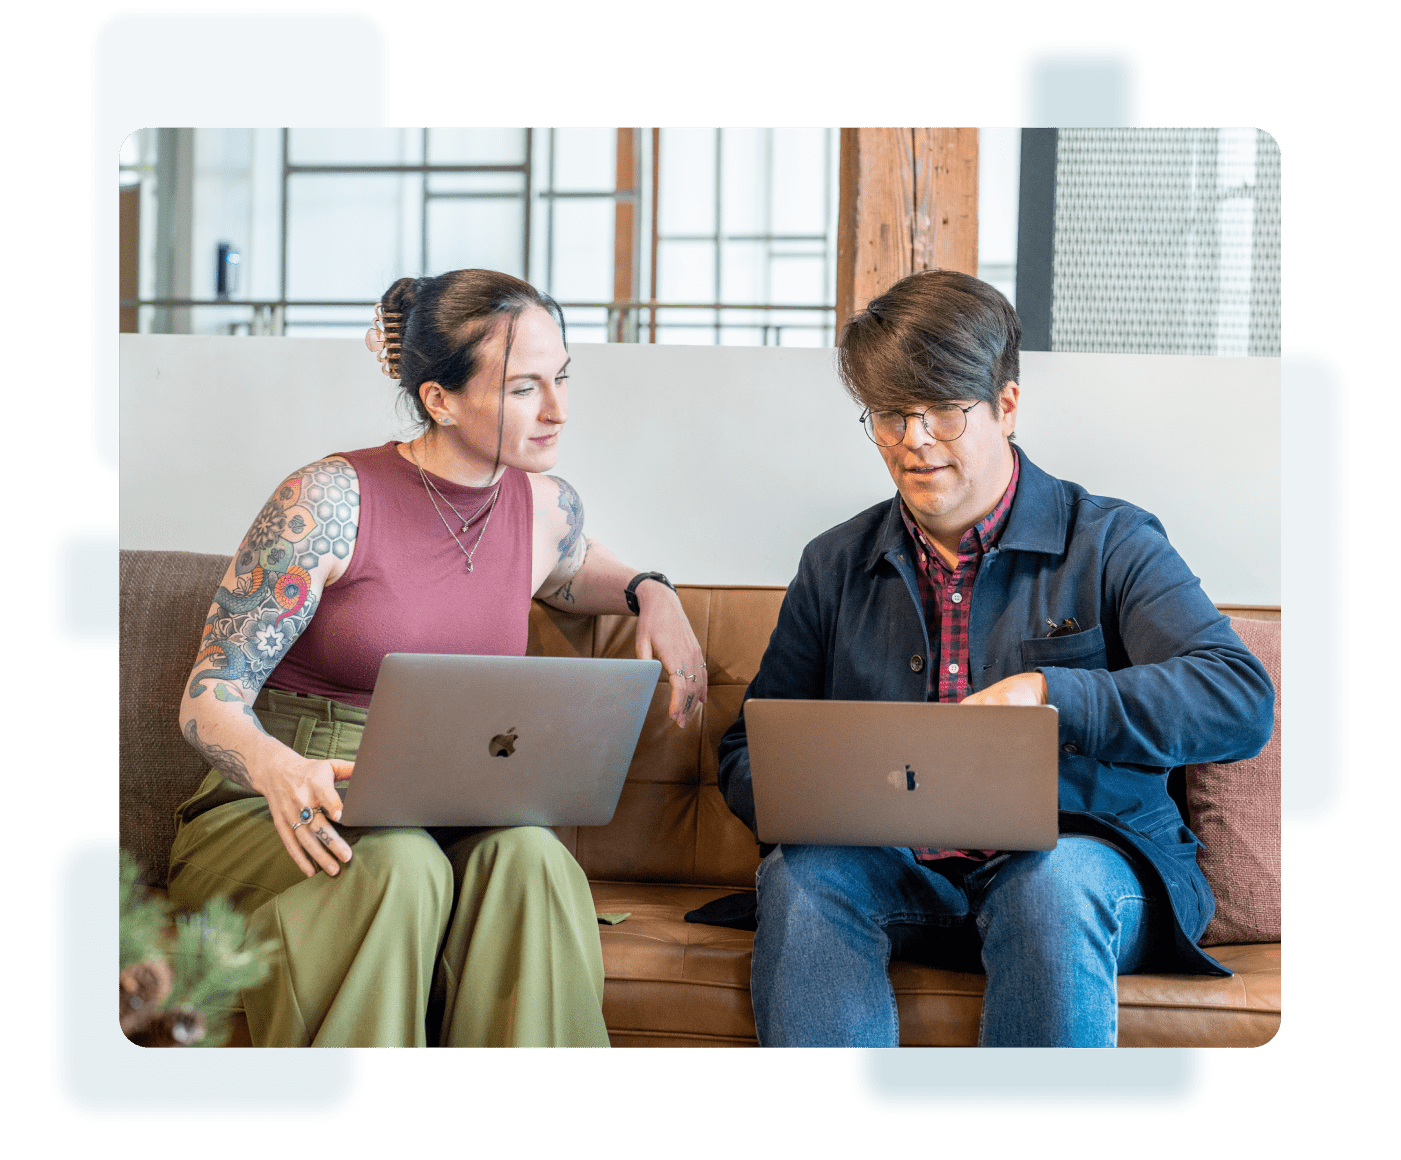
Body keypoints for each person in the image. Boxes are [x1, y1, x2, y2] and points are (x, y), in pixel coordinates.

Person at [716, 269, 1274, 1048]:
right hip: (897, 866)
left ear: (1005, 404)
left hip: (1084, 867)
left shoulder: (1111, 541)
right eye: (888, 415)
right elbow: (745, 752)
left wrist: (1051, 693)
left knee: (1050, 886)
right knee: (802, 876)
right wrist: (821, 787)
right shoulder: (834, 563)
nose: (913, 441)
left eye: (943, 411)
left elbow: (1236, 699)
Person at [168, 269, 707, 1048]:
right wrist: (276, 768)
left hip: (452, 804)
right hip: (292, 803)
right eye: (525, 388)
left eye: (559, 379)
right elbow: (207, 695)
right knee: (400, 866)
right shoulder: (328, 500)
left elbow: (574, 567)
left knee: (532, 859)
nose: (559, 410)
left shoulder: (546, 503)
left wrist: (653, 592)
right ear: (439, 399)